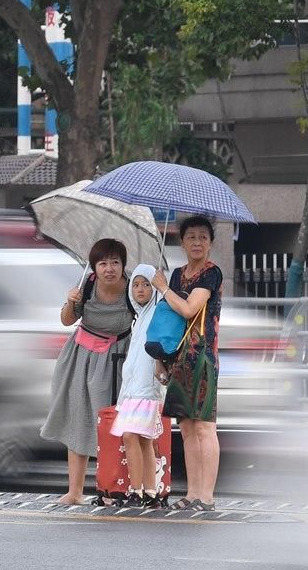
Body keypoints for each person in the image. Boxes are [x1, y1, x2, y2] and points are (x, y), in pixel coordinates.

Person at [41, 238, 132, 505]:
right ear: (94, 266)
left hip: (115, 361)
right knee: (77, 420)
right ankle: (75, 492)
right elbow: (67, 320)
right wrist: (71, 302)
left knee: (109, 427)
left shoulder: (132, 288)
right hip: (80, 357)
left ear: (123, 265)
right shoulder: (86, 285)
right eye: (103, 263)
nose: (109, 268)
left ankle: (108, 490)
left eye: (115, 262)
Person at [152, 216, 222, 511]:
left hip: (203, 357)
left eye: (203, 237)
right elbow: (169, 320)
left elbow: (191, 308)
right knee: (187, 427)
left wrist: (162, 288)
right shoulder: (178, 274)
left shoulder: (212, 273)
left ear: (210, 243)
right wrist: (160, 358)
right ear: (182, 242)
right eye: (191, 237)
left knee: (205, 427)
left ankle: (207, 496)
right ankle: (192, 492)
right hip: (179, 357)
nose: (197, 242)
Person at [109, 265, 166, 509]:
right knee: (143, 440)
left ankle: (137, 490)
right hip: (133, 390)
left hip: (147, 389)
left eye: (146, 284)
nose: (140, 289)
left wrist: (161, 287)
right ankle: (151, 491)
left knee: (130, 436)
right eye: (136, 284)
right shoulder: (138, 318)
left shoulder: (157, 311)